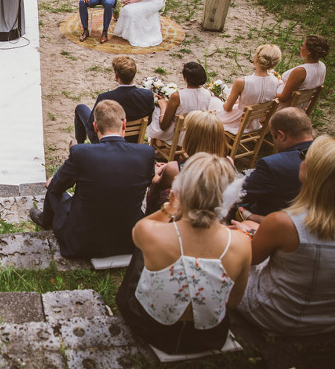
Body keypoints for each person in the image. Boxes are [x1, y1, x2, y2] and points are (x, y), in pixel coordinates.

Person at [116, 153, 251, 355]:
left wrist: (170, 207)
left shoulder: (152, 233)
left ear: (181, 189)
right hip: (209, 335)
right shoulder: (242, 242)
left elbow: (139, 230)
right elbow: (232, 301)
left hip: (153, 328)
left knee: (142, 253)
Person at [234, 135, 335, 335]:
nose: (301, 158)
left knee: (231, 242)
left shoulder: (283, 222)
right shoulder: (286, 224)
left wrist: (241, 236)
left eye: (306, 156)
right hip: (325, 317)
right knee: (250, 225)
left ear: (313, 172)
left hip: (276, 313)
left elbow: (249, 259)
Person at [29, 100, 156, 258]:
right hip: (129, 240)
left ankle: (44, 220)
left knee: (53, 190)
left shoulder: (80, 153)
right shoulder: (146, 153)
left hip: (83, 243)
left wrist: (52, 181)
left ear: (95, 127)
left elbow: (56, 187)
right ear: (124, 124)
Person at [235, 107, 314, 222]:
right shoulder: (325, 155)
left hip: (267, 219)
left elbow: (240, 194)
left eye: (273, 137)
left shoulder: (273, 165)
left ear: (282, 136)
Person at [146, 110, 229, 215]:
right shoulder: (228, 163)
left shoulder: (175, 169)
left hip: (180, 213)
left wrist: (155, 172)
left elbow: (157, 185)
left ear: (192, 139)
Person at [74, 56, 154, 144]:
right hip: (133, 140)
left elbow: (91, 126)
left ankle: (80, 145)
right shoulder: (148, 95)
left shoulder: (105, 97)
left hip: (105, 141)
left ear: (116, 76)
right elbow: (149, 120)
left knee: (80, 108)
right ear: (134, 74)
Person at [146, 62, 222, 145]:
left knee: (155, 110)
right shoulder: (208, 93)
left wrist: (163, 106)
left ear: (185, 79)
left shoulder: (177, 96)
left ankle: (155, 144)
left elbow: (163, 126)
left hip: (179, 137)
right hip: (197, 133)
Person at [217, 44, 281, 134]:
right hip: (256, 121)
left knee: (214, 103)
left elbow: (227, 108)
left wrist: (230, 102)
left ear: (256, 58)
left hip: (239, 122)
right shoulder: (275, 80)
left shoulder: (242, 82)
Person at [276, 34, 329, 106]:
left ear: (309, 51)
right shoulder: (322, 66)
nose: (300, 47)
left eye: (302, 45)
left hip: (283, 108)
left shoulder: (301, 71)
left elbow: (283, 98)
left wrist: (267, 94)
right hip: (301, 106)